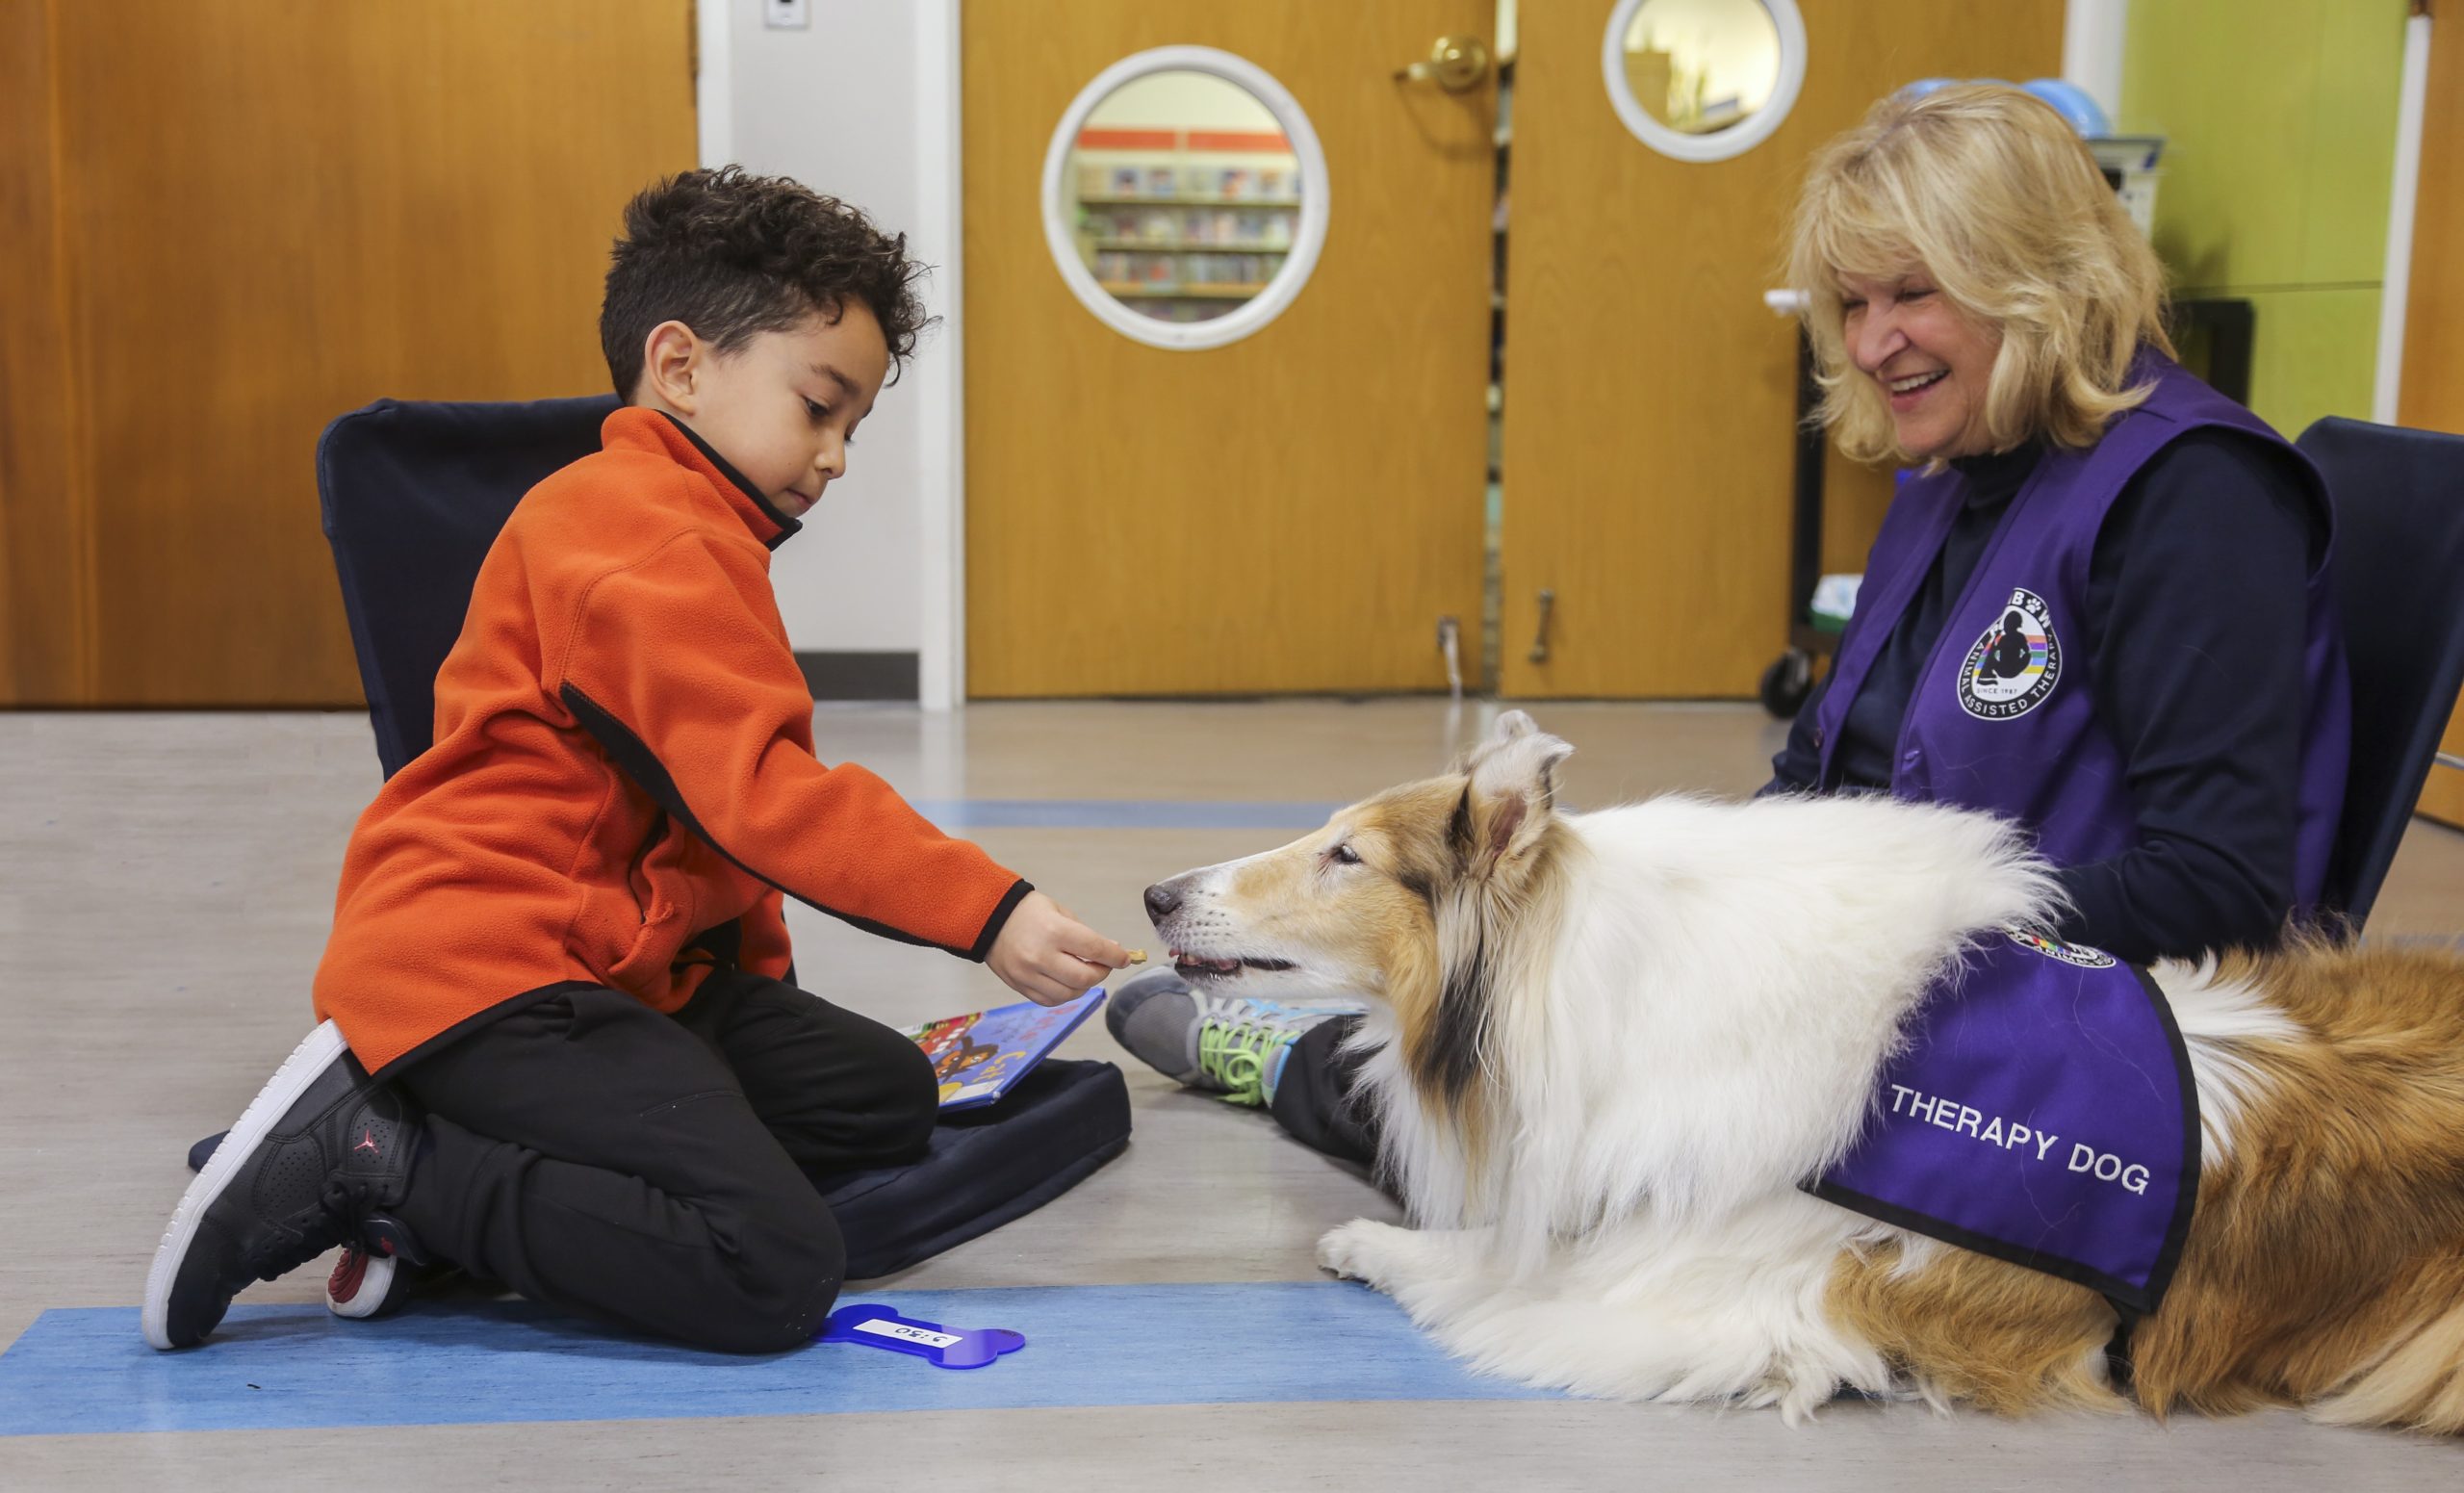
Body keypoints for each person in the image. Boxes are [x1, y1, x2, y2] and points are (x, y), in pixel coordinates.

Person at [1112, 83, 2348, 1169]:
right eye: (1851, 303)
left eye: (1914, 294)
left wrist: (1855, 936)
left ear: (2042, 279)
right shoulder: (1947, 482)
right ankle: (1329, 1060)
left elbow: (2218, 889)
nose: (1872, 344)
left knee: (1539, 1130)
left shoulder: (2193, 496)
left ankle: (1291, 1072)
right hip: (1890, 992)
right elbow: (1820, 780)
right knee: (1534, 1004)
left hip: (2065, 1035)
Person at [143, 167, 1133, 1353]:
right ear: (679, 367)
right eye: (818, 407)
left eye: (853, 424)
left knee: (882, 1097)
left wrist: (751, 996)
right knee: (769, 1264)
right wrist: (993, 913)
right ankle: (380, 1162)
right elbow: (762, 797)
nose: (836, 456)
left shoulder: (692, 527)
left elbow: (706, 839)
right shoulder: (641, 538)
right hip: (495, 976)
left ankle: (457, 1185)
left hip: (617, 965)